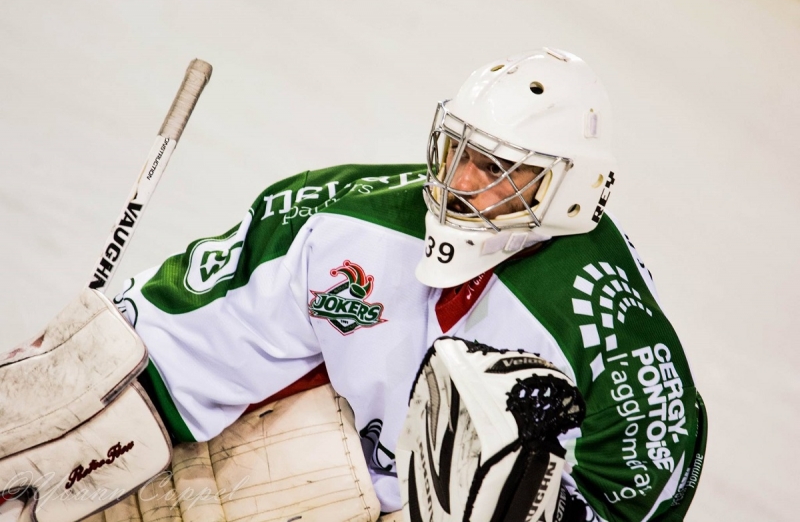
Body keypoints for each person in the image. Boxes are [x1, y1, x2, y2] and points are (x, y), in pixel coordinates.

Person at [109, 48, 706, 521]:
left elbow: (640, 499)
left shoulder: (618, 335)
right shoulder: (340, 222)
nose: (459, 182)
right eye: (458, 150)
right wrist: (109, 384)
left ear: (568, 191)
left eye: (495, 168)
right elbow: (180, 345)